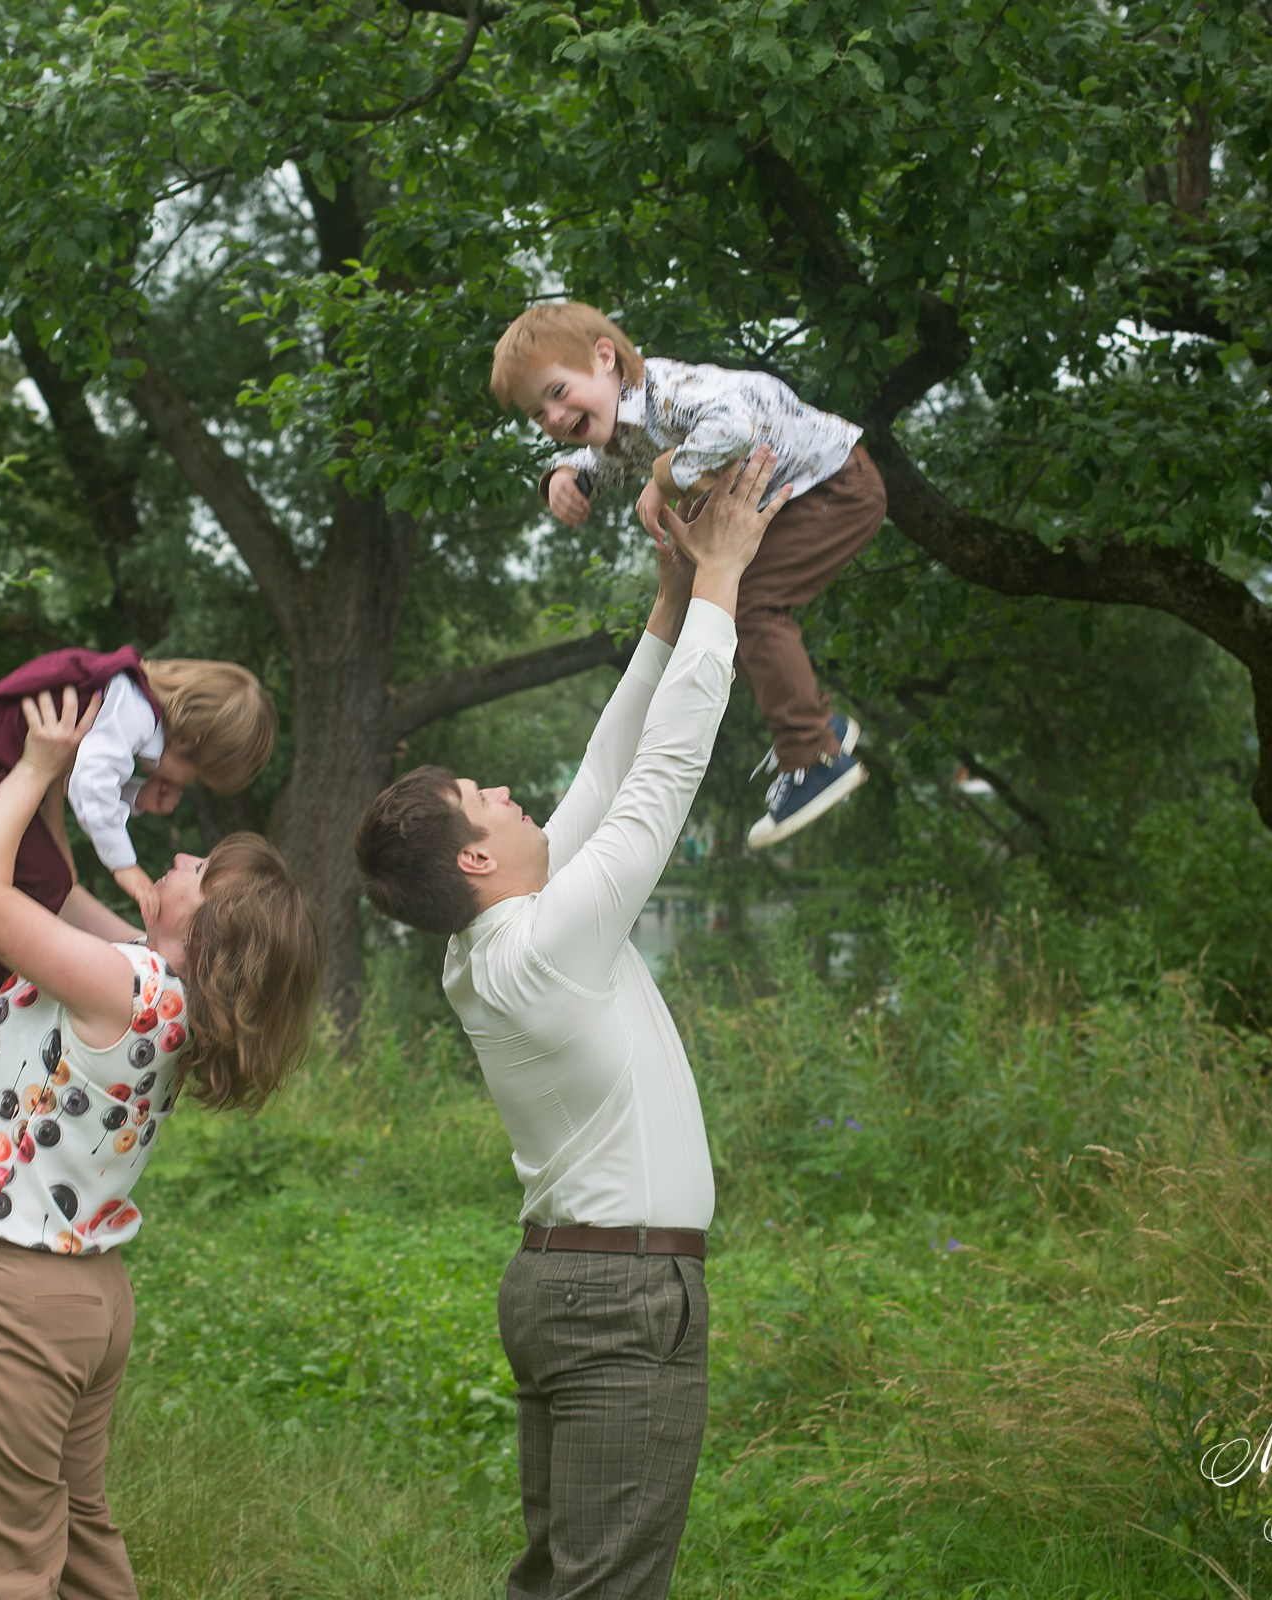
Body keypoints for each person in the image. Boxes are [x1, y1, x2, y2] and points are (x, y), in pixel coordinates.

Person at [352, 449, 790, 1600]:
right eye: (482, 799)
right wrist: (722, 583)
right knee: (605, 1585)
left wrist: (666, 590)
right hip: (620, 1296)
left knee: (562, 1578)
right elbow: (658, 780)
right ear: (477, 858)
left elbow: (604, 765)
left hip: (569, 1282)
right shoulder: (546, 947)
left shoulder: (497, 945)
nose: (505, 789)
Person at [0, 684, 321, 1600]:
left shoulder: (123, 989)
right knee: (79, 1532)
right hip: (88, 1299)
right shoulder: (161, 992)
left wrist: (27, 769)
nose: (177, 857)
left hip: (12, 1293)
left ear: (203, 925)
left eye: (198, 869)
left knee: (5, 1561)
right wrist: (58, 780)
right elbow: (54, 893)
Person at [491, 301, 887, 848]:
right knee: (718, 606)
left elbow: (734, 428)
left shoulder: (669, 391)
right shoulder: (617, 422)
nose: (555, 419)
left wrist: (663, 476)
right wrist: (564, 475)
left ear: (604, 358)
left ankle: (815, 756)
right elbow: (606, 457)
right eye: (539, 415)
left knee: (749, 607)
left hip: (835, 487)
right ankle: (819, 729)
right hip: (802, 496)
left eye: (558, 393)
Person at [0, 648, 276, 1074]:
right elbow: (89, 787)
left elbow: (85, 778)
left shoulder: (127, 699)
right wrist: (123, 863)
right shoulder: (131, 708)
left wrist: (134, 794)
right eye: (197, 775)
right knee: (45, 886)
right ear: (189, 743)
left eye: (199, 869)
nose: (183, 857)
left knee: (48, 884)